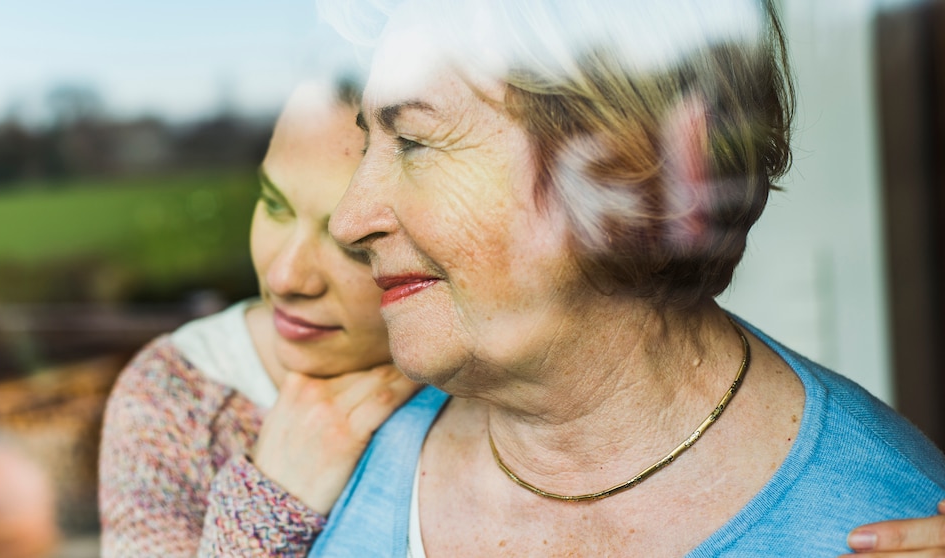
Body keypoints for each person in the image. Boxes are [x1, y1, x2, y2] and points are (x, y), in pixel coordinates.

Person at [305, 0, 945, 555]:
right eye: (369, 146)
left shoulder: (883, 520)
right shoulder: (312, 446)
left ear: (633, 169)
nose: (350, 220)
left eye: (414, 141)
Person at [97, 79, 419, 557]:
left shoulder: (501, 382)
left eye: (352, 245)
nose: (286, 277)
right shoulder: (175, 399)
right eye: (274, 204)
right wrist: (266, 514)